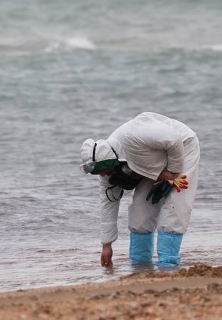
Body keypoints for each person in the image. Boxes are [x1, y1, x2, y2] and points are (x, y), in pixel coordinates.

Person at [80, 112, 200, 268]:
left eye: (105, 171)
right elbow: (108, 203)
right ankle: (140, 266)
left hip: (183, 146)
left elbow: (174, 140)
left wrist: (173, 172)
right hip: (149, 160)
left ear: (114, 162)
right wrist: (106, 244)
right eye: (100, 173)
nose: (103, 175)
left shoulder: (133, 135)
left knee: (175, 207)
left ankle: (168, 265)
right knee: (140, 210)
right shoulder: (105, 168)